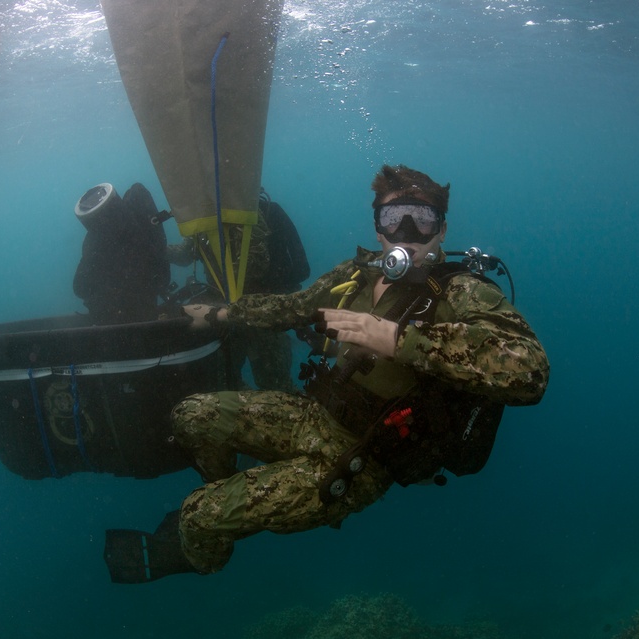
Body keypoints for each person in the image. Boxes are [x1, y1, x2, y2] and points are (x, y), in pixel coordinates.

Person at [103, 165, 550, 583]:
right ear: (378, 228)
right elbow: (292, 307)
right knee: (191, 415)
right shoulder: (358, 274)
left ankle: (201, 550)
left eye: (422, 219)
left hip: (365, 454)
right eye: (394, 218)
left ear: (443, 230)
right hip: (314, 416)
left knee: (197, 515)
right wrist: (220, 315)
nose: (407, 233)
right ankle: (231, 502)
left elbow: (529, 368)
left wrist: (398, 339)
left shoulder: (460, 290)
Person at [166, 189, 309, 392]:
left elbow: (258, 265)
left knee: (275, 385)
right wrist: (153, 247)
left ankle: (276, 408)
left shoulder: (254, 216)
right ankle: (251, 407)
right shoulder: (206, 224)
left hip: (261, 313)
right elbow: (185, 254)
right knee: (227, 383)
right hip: (233, 315)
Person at [73, 182, 170, 324]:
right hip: (139, 313)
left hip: (113, 319)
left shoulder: (94, 242)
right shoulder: (137, 230)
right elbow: (161, 278)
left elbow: (80, 288)